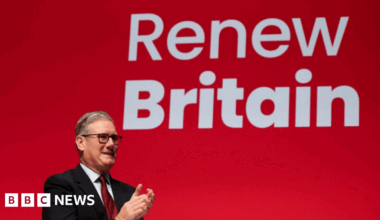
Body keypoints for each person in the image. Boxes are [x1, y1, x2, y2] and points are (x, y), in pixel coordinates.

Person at [42, 111, 155, 220]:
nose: (111, 144)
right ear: (81, 142)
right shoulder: (60, 186)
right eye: (103, 137)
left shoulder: (128, 193)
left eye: (114, 138)